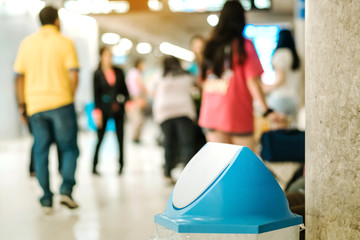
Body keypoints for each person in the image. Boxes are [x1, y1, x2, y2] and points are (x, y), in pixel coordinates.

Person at [14, 6, 80, 214]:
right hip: (61, 102)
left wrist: (22, 105)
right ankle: (66, 191)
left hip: (36, 106)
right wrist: (69, 96)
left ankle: (45, 198)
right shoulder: (65, 42)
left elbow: (19, 77)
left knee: (40, 151)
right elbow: (74, 74)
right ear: (57, 21)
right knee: (69, 148)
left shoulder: (27, 44)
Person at [198, 0, 283, 151]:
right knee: (244, 167)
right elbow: (253, 82)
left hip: (210, 114)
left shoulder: (210, 46)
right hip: (236, 113)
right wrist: (266, 110)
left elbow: (203, 81)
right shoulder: (245, 45)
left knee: (220, 167)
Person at [152, 56, 196, 181]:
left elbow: (150, 89)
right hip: (184, 110)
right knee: (186, 143)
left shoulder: (159, 75)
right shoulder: (186, 75)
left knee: (168, 142)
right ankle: (187, 173)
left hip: (164, 112)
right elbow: (196, 86)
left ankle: (167, 173)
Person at [92, 46, 129, 175]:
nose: (109, 58)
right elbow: (95, 95)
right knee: (100, 138)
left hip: (118, 109)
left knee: (120, 138)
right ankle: (94, 165)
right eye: (107, 55)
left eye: (111, 55)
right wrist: (97, 112)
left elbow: (125, 91)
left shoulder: (119, 71)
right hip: (103, 109)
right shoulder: (97, 73)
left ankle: (121, 165)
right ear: (101, 56)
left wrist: (126, 102)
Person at [264, 29, 302, 127]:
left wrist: (267, 88)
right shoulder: (297, 56)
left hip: (280, 98)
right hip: (294, 97)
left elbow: (281, 79)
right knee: (292, 128)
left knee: (279, 129)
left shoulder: (280, 54)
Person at [125, 58, 148, 144]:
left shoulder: (131, 72)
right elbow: (140, 85)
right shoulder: (135, 73)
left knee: (136, 119)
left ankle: (136, 137)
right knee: (138, 119)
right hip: (136, 98)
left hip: (133, 98)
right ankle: (135, 137)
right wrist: (148, 93)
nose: (144, 67)